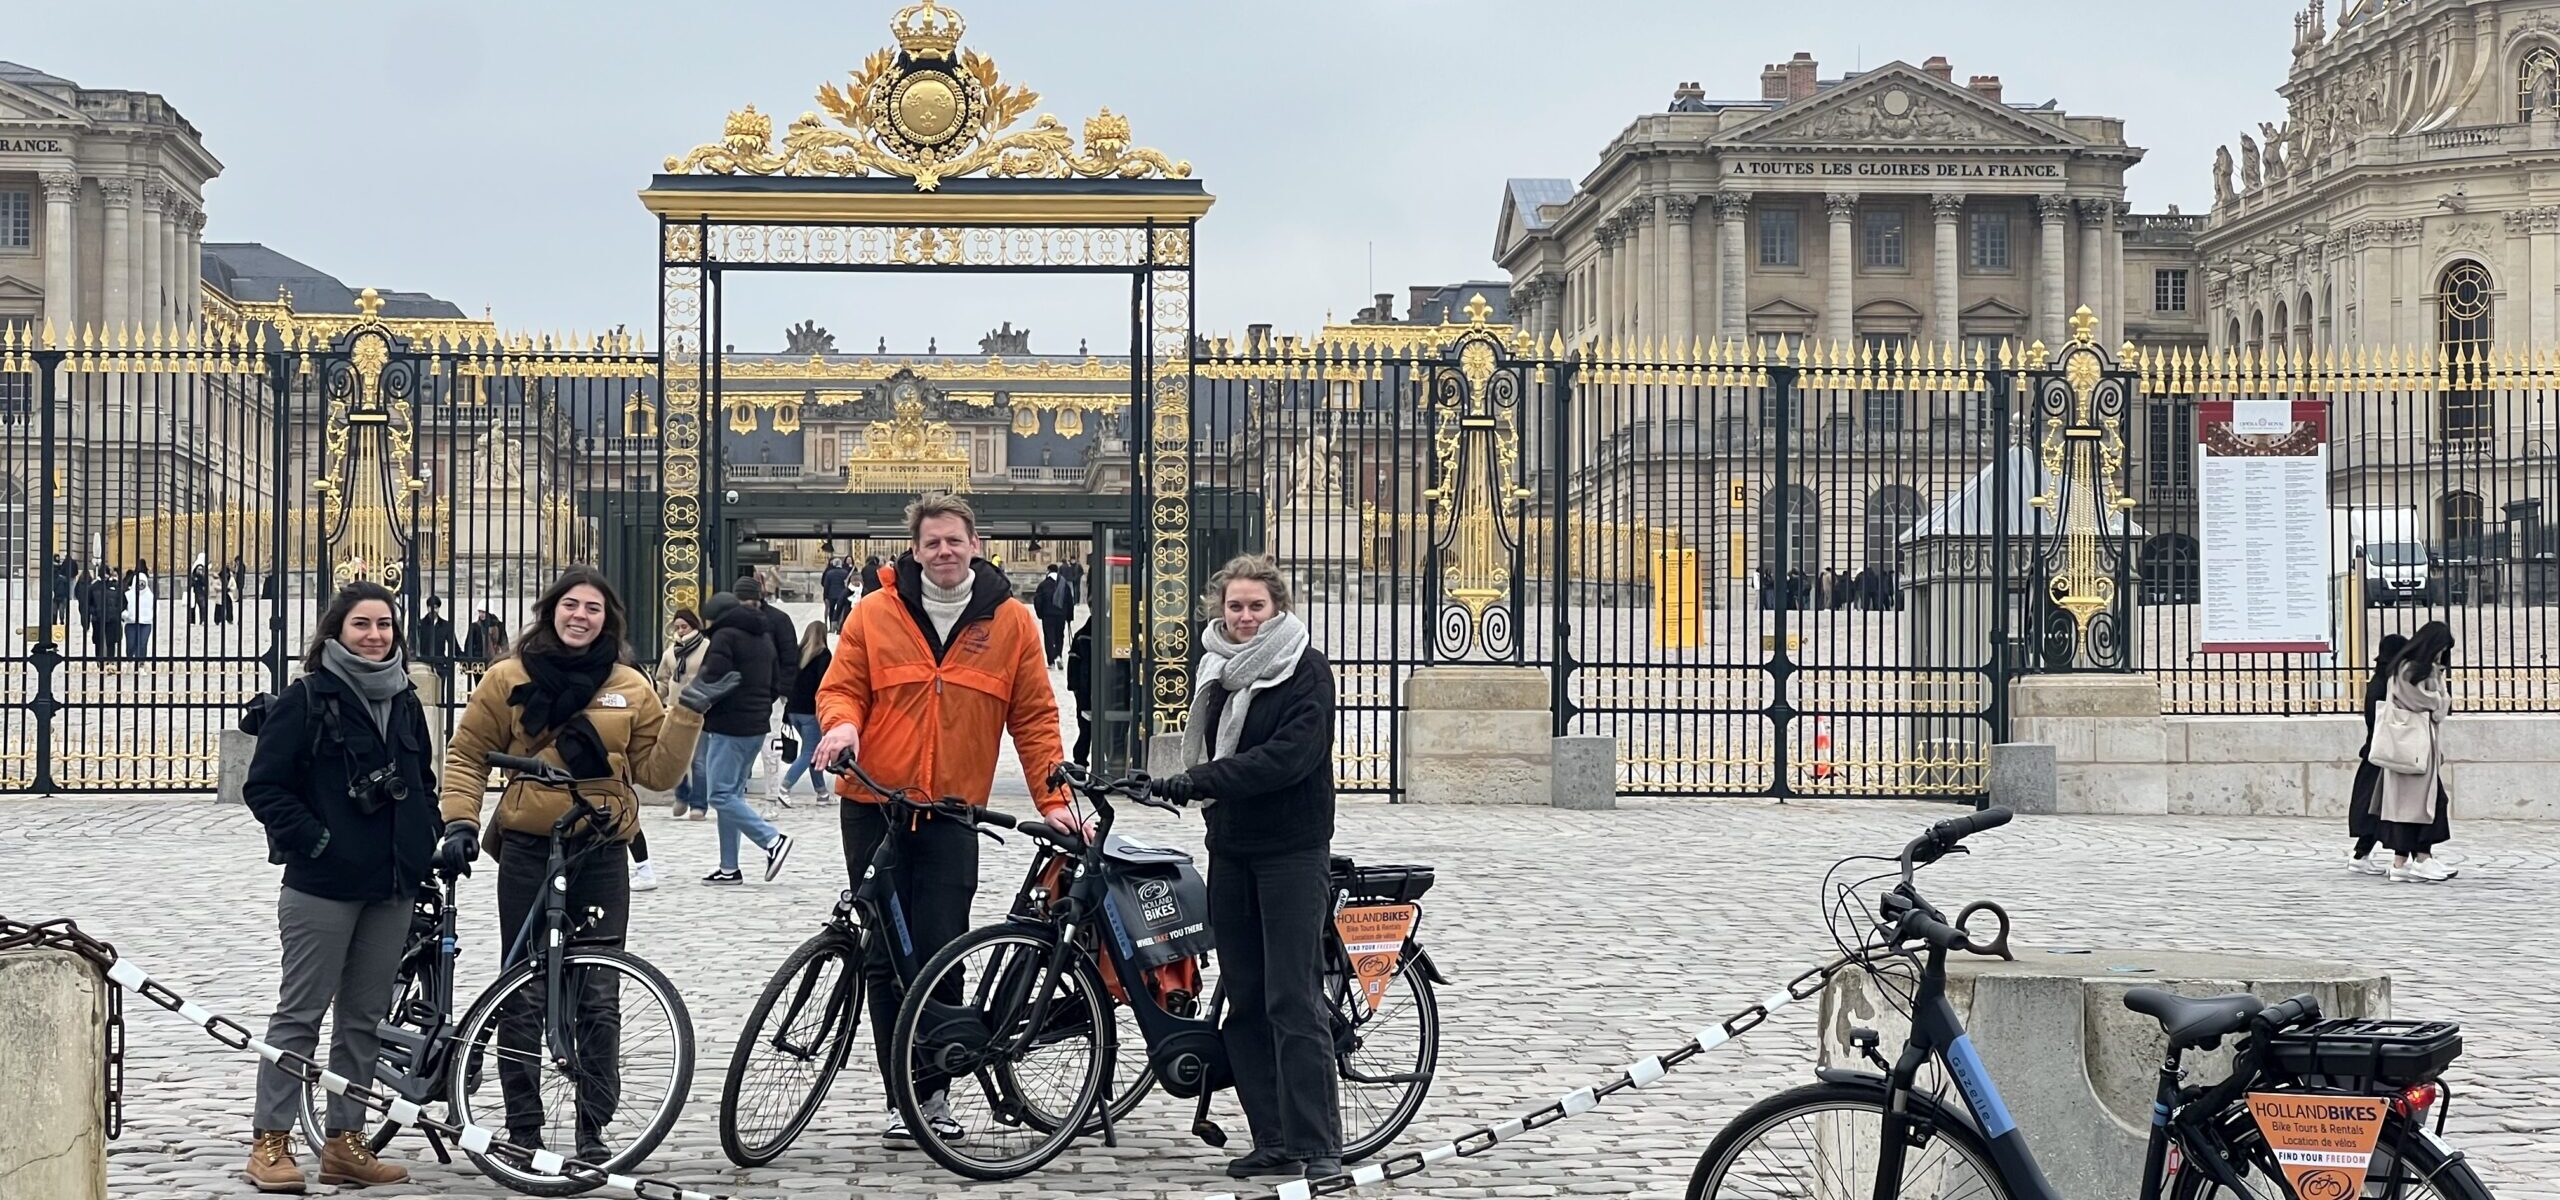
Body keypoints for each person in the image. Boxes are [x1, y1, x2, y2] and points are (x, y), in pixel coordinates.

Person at [435, 567, 731, 1159]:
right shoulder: (507, 678)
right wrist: (461, 822)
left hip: (599, 847)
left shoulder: (630, 684)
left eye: (593, 608)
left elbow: (656, 774)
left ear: (607, 620)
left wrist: (688, 712)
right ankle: (522, 1127)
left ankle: (593, 1128)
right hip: (527, 847)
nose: (580, 616)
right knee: (521, 986)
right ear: (551, 611)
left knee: (599, 990)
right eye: (571, 605)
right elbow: (467, 754)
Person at [813, 492, 1073, 1141]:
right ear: (917, 549)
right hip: (874, 806)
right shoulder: (875, 612)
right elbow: (841, 686)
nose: (945, 551)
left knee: (943, 950)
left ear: (975, 544)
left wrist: (1055, 800)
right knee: (881, 958)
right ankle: (904, 1097)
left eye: (955, 540)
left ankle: (934, 1094)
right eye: (933, 542)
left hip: (952, 813)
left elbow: (1035, 718)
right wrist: (843, 727)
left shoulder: (1013, 623)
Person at [240, 581, 439, 1192]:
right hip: (322, 887)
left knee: (364, 1019)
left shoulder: (405, 699)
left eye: (384, 625)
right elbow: (264, 787)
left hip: (391, 885)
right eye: (362, 625)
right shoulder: (307, 698)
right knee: (300, 1013)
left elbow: (422, 777)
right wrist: (318, 841)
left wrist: (423, 837)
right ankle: (270, 1142)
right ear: (336, 631)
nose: (375, 636)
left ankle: (344, 1143)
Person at [1148, 555, 1342, 1181]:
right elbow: (1209, 747)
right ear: (1219, 609)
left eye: (1257, 605)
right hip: (1230, 847)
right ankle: (1274, 1137)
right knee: (1247, 998)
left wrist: (1199, 779)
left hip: (1291, 849)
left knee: (1293, 996)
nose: (1245, 617)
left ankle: (1316, 1145)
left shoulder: (1305, 669)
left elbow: (1287, 757)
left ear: (1277, 608)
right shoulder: (1216, 671)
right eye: (1235, 606)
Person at [694, 588, 789, 884]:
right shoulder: (762, 636)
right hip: (756, 725)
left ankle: (772, 840)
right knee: (731, 795)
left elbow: (713, 679)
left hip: (729, 725)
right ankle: (728, 868)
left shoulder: (725, 637)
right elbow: (775, 683)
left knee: (719, 794)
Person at [2376, 621, 2458, 883]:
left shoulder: (2415, 669)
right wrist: (2442, 699)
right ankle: (2421, 858)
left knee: (2413, 806)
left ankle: (2403, 862)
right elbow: (2428, 703)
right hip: (2411, 747)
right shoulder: (2409, 670)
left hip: (2419, 746)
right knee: (2419, 806)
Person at [2346, 632, 2411, 875]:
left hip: (2376, 751)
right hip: (2384, 753)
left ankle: (2363, 854)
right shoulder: (2386, 684)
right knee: (2380, 806)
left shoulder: (2379, 680)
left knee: (2378, 807)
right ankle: (2368, 855)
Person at [737, 574, 797, 795]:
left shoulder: (778, 620)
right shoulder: (732, 620)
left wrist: (782, 692)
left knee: (769, 745)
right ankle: (737, 788)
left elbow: (790, 657)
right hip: (740, 693)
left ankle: (772, 794)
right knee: (741, 743)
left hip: (770, 693)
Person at [654, 609, 711, 820]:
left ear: (693, 625)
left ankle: (699, 804)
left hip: (698, 710)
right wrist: (655, 693)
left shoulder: (706, 647)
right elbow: (663, 679)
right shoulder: (671, 651)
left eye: (683, 626)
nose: (680, 630)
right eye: (676, 627)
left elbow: (711, 676)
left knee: (698, 761)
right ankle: (682, 795)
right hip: (674, 710)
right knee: (676, 758)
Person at [775, 620, 834, 803]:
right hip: (810, 711)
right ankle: (784, 786)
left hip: (793, 710)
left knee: (814, 750)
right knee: (809, 752)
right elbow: (823, 685)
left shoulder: (797, 654)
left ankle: (822, 792)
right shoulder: (824, 656)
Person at [1033, 563, 1076, 668]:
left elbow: (1037, 601)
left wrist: (1040, 614)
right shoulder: (1064, 584)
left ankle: (1051, 661)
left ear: (1048, 571)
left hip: (1048, 616)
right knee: (1059, 636)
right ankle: (1058, 656)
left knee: (1049, 637)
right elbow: (1070, 601)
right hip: (1061, 615)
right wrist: (1069, 617)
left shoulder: (1043, 585)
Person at [1065, 619, 1095, 765]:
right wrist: (1075, 687)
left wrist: (1075, 687)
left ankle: (1080, 761)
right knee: (1086, 730)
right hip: (1085, 691)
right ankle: (1080, 761)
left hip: (1084, 691)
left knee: (1085, 730)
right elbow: (1073, 665)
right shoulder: (1082, 636)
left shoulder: (1081, 635)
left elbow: (1073, 666)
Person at [89, 569, 127, 663]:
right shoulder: (94, 587)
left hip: (112, 618)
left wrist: (116, 611)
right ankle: (99, 661)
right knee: (98, 640)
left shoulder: (115, 585)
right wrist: (94, 612)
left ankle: (111, 661)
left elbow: (123, 601)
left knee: (111, 641)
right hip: (98, 619)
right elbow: (88, 603)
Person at [127, 564, 158, 660]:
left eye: (142, 583)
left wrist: (151, 616)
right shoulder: (128, 595)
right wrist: (125, 615)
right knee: (131, 644)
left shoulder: (150, 596)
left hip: (146, 623)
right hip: (131, 622)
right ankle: (130, 660)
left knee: (142, 643)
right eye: (139, 583)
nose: (140, 585)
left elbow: (156, 608)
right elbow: (122, 607)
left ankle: (141, 663)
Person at [821, 556, 853, 628]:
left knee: (831, 610)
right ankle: (839, 625)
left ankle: (832, 626)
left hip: (831, 595)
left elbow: (826, 586)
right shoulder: (845, 572)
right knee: (841, 610)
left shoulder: (829, 573)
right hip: (842, 594)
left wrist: (825, 596)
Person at [189, 555, 211, 625]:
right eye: (199, 569)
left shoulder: (203, 576)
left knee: (203, 607)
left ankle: (202, 620)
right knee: (192, 607)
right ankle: (192, 621)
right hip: (194, 593)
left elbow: (205, 584)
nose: (200, 571)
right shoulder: (193, 576)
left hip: (201, 594)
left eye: (201, 569)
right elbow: (191, 584)